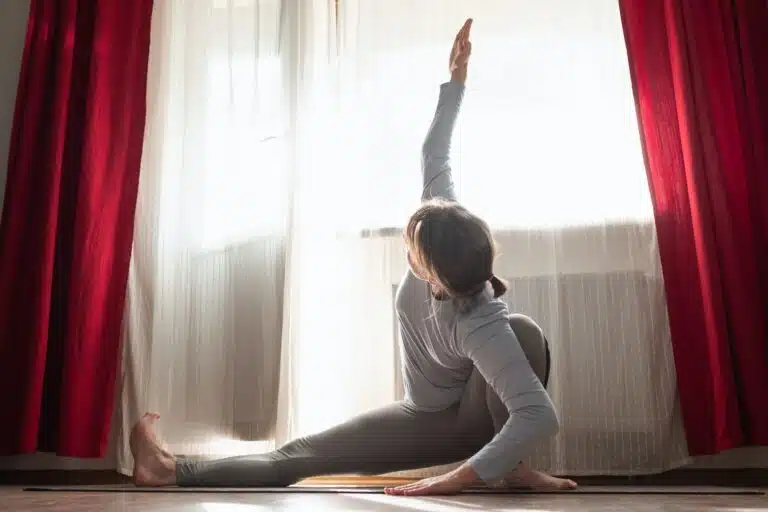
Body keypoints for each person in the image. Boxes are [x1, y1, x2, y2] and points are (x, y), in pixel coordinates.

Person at [130, 18, 578, 496]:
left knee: (524, 332)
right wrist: (456, 82)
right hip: (425, 410)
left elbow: (537, 414)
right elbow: (435, 153)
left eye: (410, 246)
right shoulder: (445, 224)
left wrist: (451, 480)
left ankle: (509, 467)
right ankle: (168, 469)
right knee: (296, 456)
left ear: (430, 275)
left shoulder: (480, 317)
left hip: (461, 425)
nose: (406, 240)